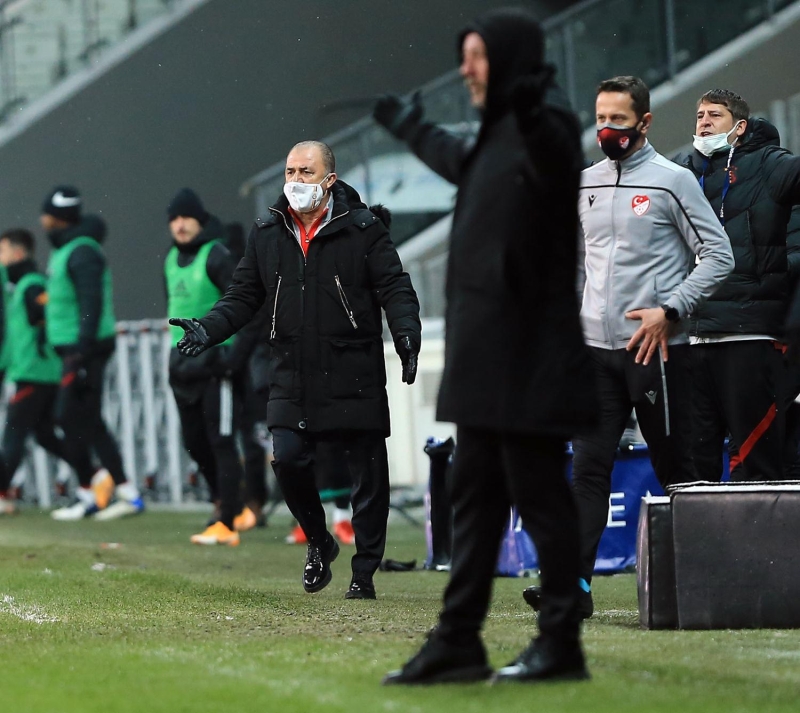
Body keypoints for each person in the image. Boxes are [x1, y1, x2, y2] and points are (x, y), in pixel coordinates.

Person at [374, 7, 597, 684]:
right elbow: (456, 160)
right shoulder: (496, 132)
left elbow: (556, 156)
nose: (465, 70)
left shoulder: (545, 122)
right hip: (488, 350)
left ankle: (561, 639)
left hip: (528, 354)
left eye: (476, 58)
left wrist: (529, 104)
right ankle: (459, 639)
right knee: (473, 497)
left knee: (539, 495)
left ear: (509, 63)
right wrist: (409, 125)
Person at [170, 141, 421, 598]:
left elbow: (395, 287)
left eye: (306, 172)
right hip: (290, 367)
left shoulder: (364, 229)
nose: (296, 181)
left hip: (352, 366)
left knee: (367, 472)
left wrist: (406, 335)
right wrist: (209, 329)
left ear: (329, 180)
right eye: (290, 171)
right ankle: (319, 540)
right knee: (286, 458)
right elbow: (244, 295)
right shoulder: (268, 230)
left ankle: (363, 573)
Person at [557, 77, 734, 617]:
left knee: (676, 469)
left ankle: (709, 584)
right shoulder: (584, 183)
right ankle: (574, 589)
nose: (606, 130)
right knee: (588, 468)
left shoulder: (673, 181)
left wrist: (671, 309)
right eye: (600, 119)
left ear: (646, 123)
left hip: (656, 354)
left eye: (618, 121)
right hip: (595, 354)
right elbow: (579, 266)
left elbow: (719, 256)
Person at [674, 90, 800, 482]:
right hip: (691, 338)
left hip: (749, 334)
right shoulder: (681, 174)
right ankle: (698, 545)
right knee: (694, 469)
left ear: (740, 127)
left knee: (754, 463)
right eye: (699, 116)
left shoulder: (769, 166)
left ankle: (760, 543)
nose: (705, 122)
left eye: (715, 115)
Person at [41, 186, 144, 521]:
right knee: (84, 419)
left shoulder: (81, 251)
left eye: (47, 215)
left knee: (70, 417)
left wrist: (82, 349)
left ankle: (111, 490)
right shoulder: (68, 249)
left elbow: (91, 304)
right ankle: (101, 492)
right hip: (74, 349)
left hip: (84, 350)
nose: (42, 221)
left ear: (58, 217)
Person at [165, 190, 257, 545]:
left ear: (200, 221)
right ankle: (225, 501)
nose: (179, 224)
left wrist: (233, 359)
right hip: (184, 369)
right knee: (194, 442)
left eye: (186, 217)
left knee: (221, 441)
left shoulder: (216, 255)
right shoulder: (171, 259)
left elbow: (248, 305)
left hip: (218, 366)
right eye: (173, 218)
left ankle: (227, 521)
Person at [0, 229, 78, 515]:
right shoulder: (22, 286)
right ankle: (94, 475)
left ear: (18, 253)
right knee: (45, 435)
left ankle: (2, 493)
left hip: (35, 372)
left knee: (13, 434)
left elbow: (46, 315)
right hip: (36, 372)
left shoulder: (32, 285)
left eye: (2, 251)